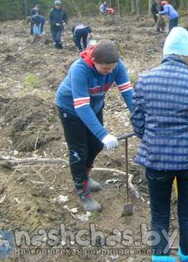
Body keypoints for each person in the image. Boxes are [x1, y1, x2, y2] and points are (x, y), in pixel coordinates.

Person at [131, 27, 188, 262]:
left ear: (166, 51)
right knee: (187, 215)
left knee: (158, 214)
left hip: (155, 159)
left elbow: (138, 123)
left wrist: (153, 138)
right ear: (187, 54)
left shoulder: (145, 79)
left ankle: (161, 257)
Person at [55, 41, 134, 211]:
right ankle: (82, 191)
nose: (109, 73)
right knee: (79, 151)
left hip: (95, 106)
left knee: (96, 144)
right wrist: (103, 133)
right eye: (105, 69)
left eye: (112, 69)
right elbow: (81, 106)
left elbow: (127, 91)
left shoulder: (117, 65)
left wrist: (138, 116)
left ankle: (86, 176)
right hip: (71, 109)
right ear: (94, 60)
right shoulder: (80, 69)